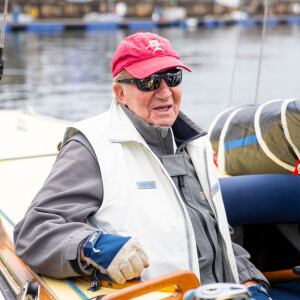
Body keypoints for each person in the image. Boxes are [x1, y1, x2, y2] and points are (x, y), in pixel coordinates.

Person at [14, 32, 271, 299]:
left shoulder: (198, 145)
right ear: (120, 92)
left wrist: (250, 281)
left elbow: (216, 233)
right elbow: (34, 230)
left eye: (173, 77)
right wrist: (91, 245)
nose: (164, 91)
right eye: (148, 81)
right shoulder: (91, 148)